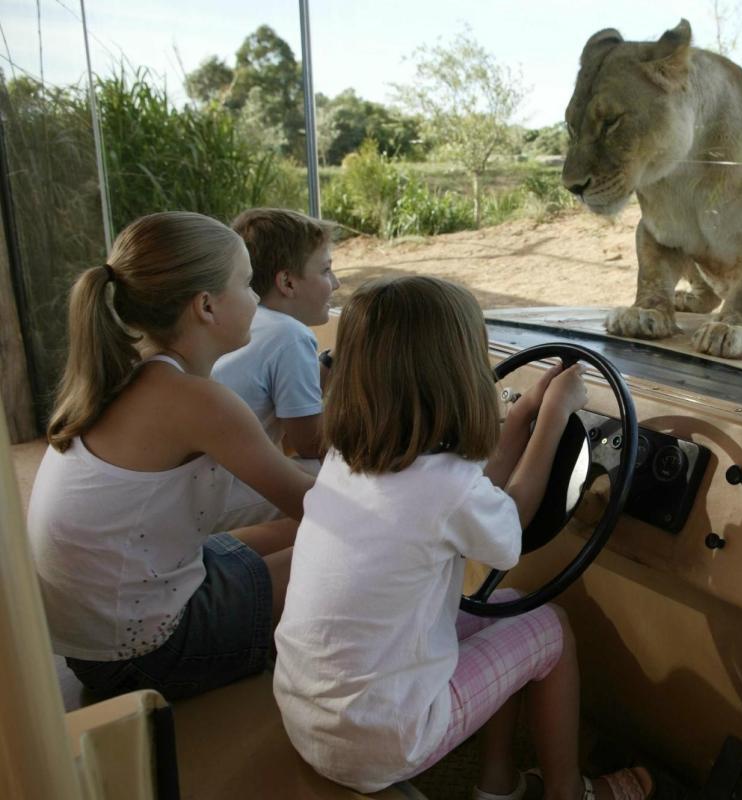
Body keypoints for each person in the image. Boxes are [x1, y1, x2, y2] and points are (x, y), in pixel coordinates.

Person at [273, 276, 652, 800]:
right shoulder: (443, 487)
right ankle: (571, 793)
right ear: (457, 373)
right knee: (551, 627)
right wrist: (556, 418)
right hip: (382, 738)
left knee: (511, 608)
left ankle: (499, 784)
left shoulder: (350, 458)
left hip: (312, 715)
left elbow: (476, 498)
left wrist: (521, 416)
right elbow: (509, 522)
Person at [27, 211, 314, 701]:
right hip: (146, 656)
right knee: (344, 543)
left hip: (102, 638)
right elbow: (322, 508)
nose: (254, 299)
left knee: (295, 534)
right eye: (246, 285)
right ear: (205, 305)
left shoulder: (128, 375)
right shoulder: (195, 400)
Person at [211, 208, 339, 529]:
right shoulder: (289, 334)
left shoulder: (249, 323)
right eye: (326, 271)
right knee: (351, 483)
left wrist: (330, 362)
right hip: (213, 498)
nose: (335, 283)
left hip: (201, 484)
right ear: (287, 282)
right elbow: (309, 443)